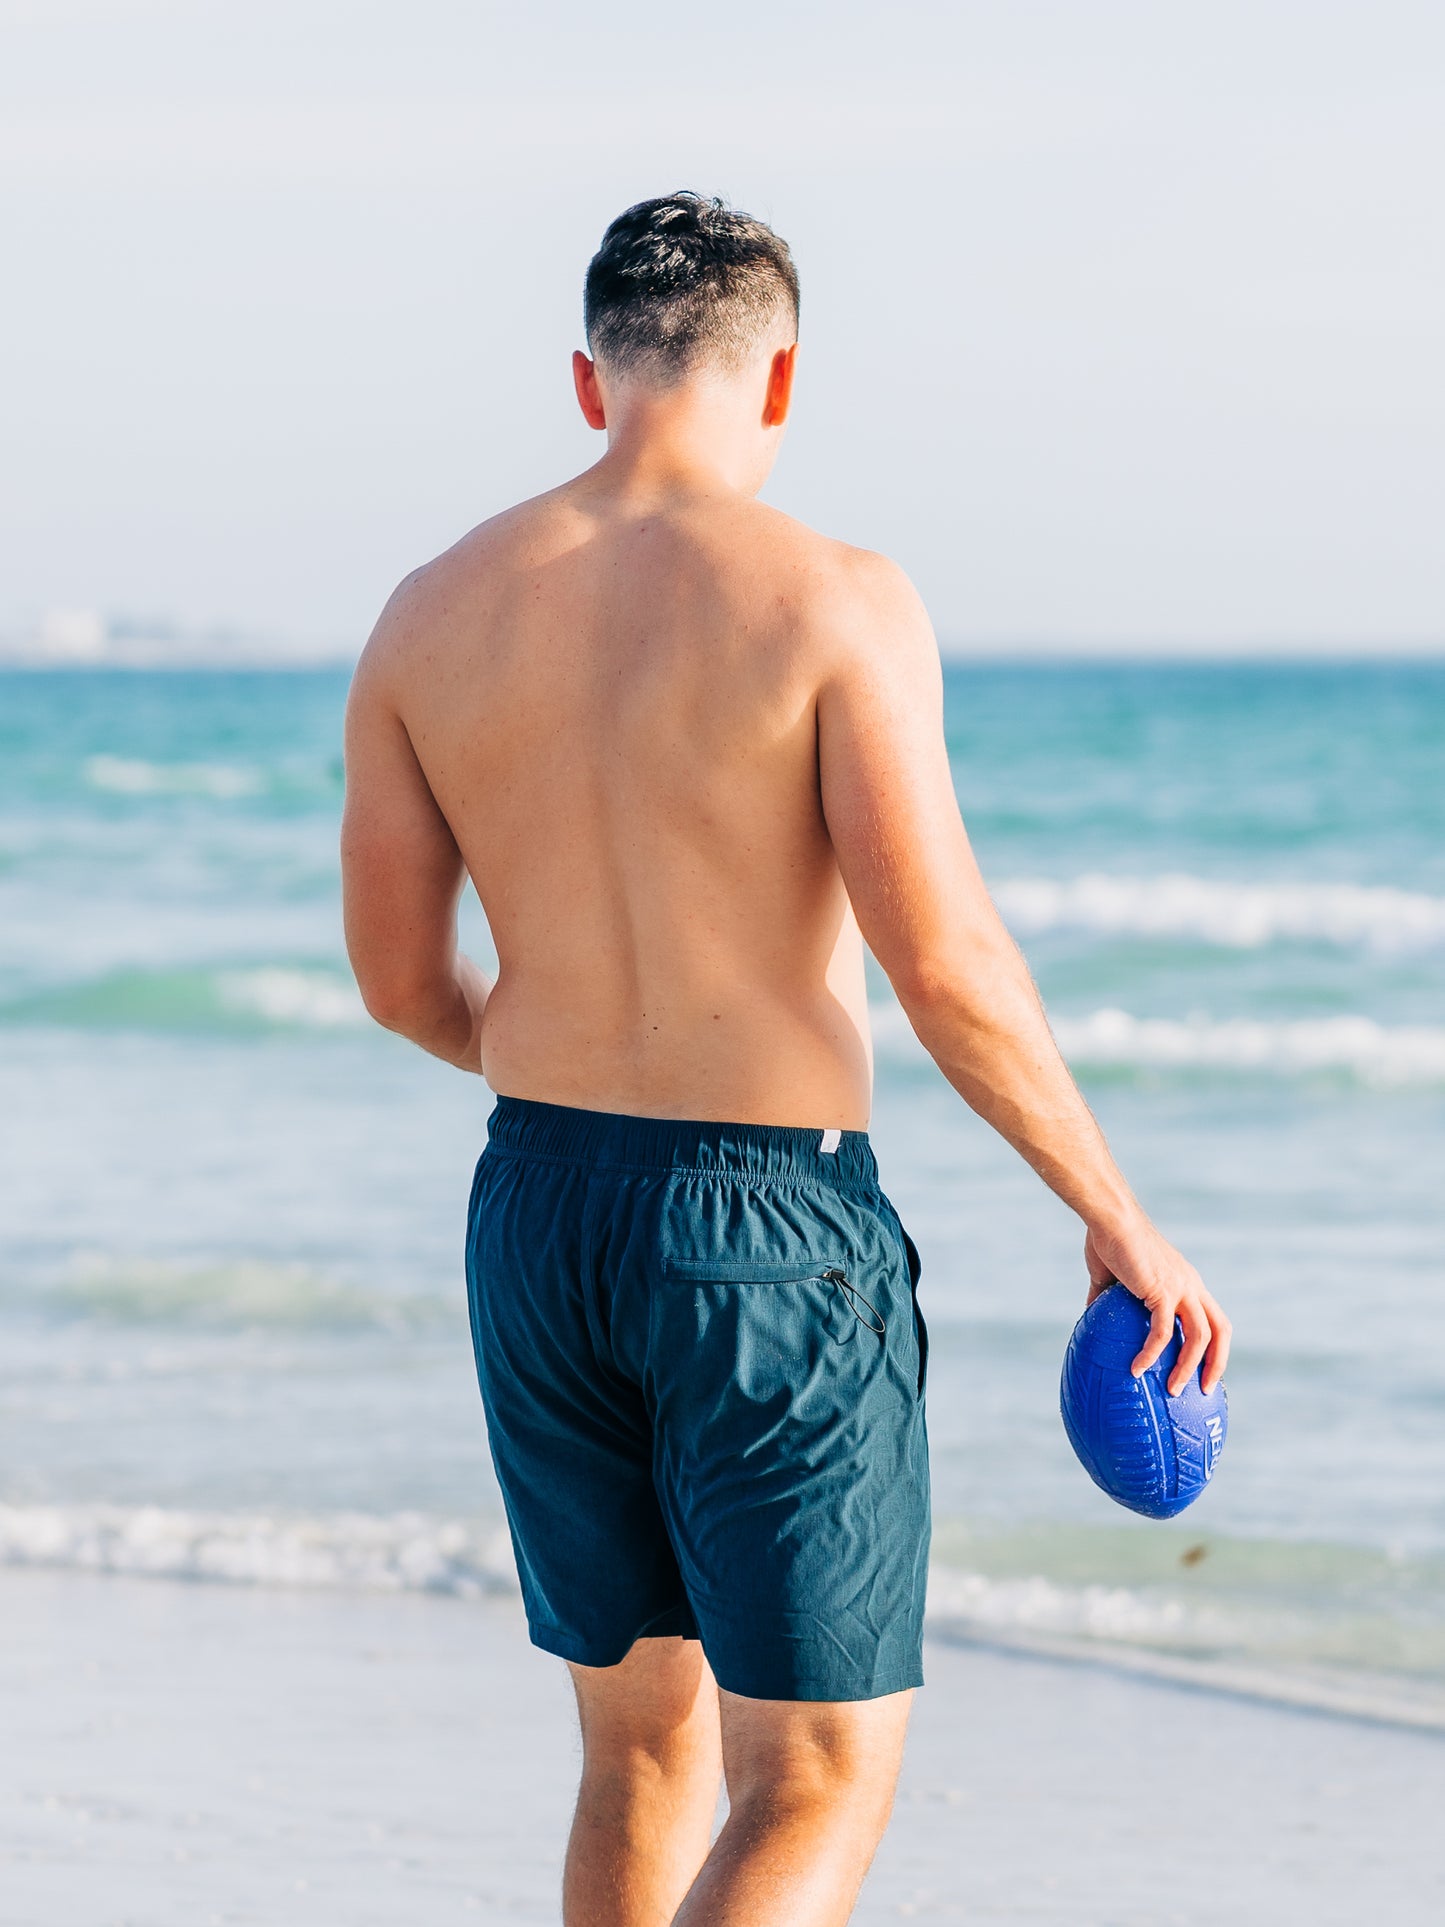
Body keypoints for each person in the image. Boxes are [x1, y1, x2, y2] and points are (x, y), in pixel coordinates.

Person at [340, 192, 1231, 1927]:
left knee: (638, 1756)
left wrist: (571, 1064)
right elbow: (948, 965)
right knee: (812, 1778)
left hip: (535, 1212)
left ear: (589, 381)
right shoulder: (833, 599)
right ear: (781, 381)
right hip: (762, 1233)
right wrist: (1115, 1213)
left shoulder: (428, 612)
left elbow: (397, 985)